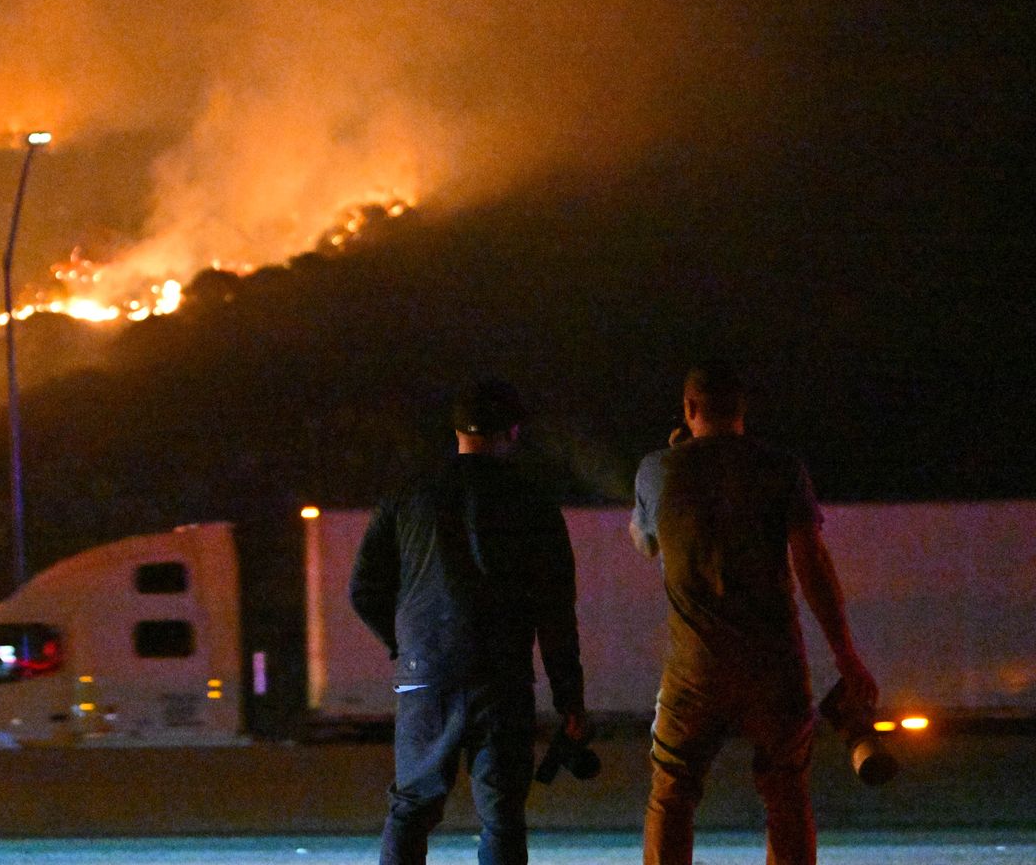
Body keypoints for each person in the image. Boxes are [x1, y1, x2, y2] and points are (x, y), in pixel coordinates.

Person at [629, 361, 880, 865]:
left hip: (694, 669)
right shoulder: (781, 467)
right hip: (774, 665)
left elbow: (645, 544)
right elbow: (813, 566)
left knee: (673, 793)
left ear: (689, 409)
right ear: (742, 412)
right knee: (786, 795)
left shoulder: (658, 469)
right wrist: (846, 655)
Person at [350, 380, 589, 865]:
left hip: (425, 674)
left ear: (456, 430)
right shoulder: (534, 501)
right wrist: (570, 700)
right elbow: (556, 610)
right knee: (502, 817)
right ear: (513, 432)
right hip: (501, 678)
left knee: (412, 808)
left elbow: (362, 590)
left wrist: (404, 645)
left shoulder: (408, 495)